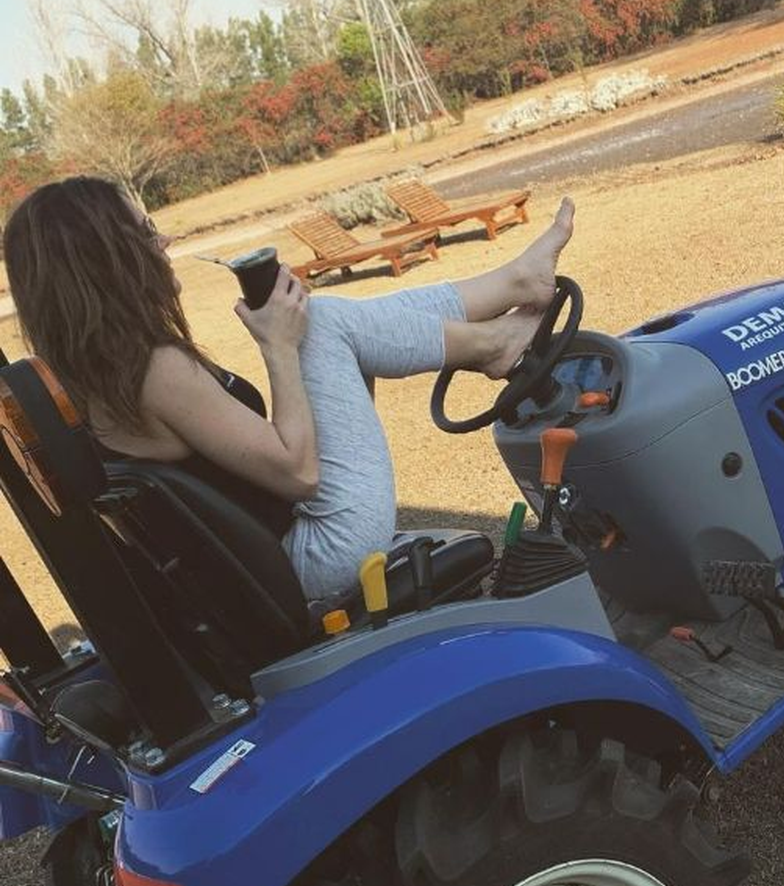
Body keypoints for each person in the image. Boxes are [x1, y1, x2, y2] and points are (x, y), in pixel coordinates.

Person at [3, 176, 574, 600]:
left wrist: (295, 348)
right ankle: (498, 336)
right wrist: (277, 347)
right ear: (106, 258)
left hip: (283, 551)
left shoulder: (101, 376)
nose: (164, 236)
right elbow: (298, 472)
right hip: (318, 554)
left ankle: (509, 292)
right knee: (318, 325)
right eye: (145, 231)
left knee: (324, 322)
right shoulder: (153, 371)